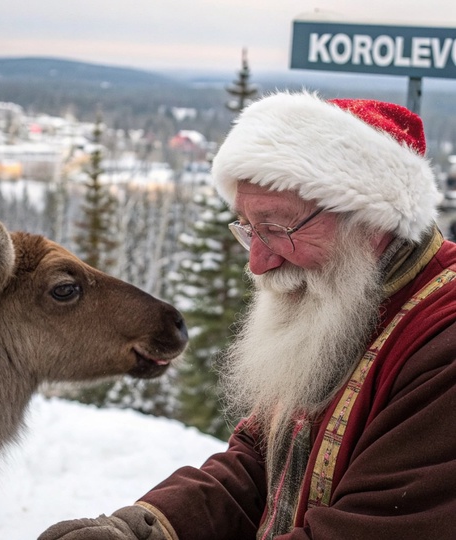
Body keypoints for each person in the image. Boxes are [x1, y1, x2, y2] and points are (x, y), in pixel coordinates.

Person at [38, 91, 456, 540]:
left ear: (372, 219)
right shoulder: (341, 300)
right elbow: (262, 463)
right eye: (248, 228)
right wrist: (148, 528)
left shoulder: (442, 344)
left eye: (277, 228)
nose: (257, 262)